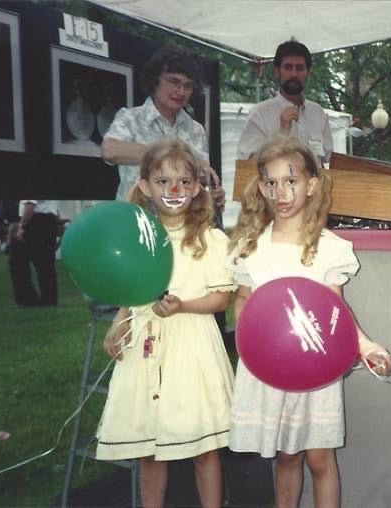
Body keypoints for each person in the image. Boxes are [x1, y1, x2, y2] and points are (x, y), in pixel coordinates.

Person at [227, 134, 391, 507]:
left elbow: (337, 311)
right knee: (287, 455)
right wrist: (254, 343)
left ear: (312, 184)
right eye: (271, 182)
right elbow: (243, 302)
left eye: (291, 181)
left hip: (316, 370)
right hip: (270, 371)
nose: (281, 192)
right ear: (262, 187)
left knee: (320, 458)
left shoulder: (327, 249)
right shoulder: (251, 248)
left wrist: (365, 346)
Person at [96, 139, 236, 507]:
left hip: (192, 347)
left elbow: (221, 298)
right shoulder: (140, 238)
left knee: (203, 446)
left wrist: (184, 304)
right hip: (147, 347)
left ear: (195, 187)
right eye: (163, 182)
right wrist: (120, 320)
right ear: (144, 186)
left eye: (183, 182)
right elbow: (134, 289)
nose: (174, 190)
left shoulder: (210, 238)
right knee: (149, 447)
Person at [101, 45, 225, 211]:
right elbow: (109, 150)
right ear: (155, 79)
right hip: (134, 224)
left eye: (188, 86)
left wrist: (212, 195)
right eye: (174, 82)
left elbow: (200, 183)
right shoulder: (130, 118)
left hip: (180, 227)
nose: (181, 91)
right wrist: (169, 155)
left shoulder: (195, 130)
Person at [237, 39, 333, 167]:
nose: (294, 74)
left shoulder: (318, 113)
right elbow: (247, 165)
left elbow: (332, 160)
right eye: (288, 67)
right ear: (277, 71)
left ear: (308, 73)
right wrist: (281, 133)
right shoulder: (259, 114)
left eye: (299, 68)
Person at [8, 200, 59, 307]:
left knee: (18, 261)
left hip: (34, 220)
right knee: (45, 263)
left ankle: (27, 299)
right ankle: (49, 300)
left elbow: (30, 204)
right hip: (48, 219)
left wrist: (21, 226)